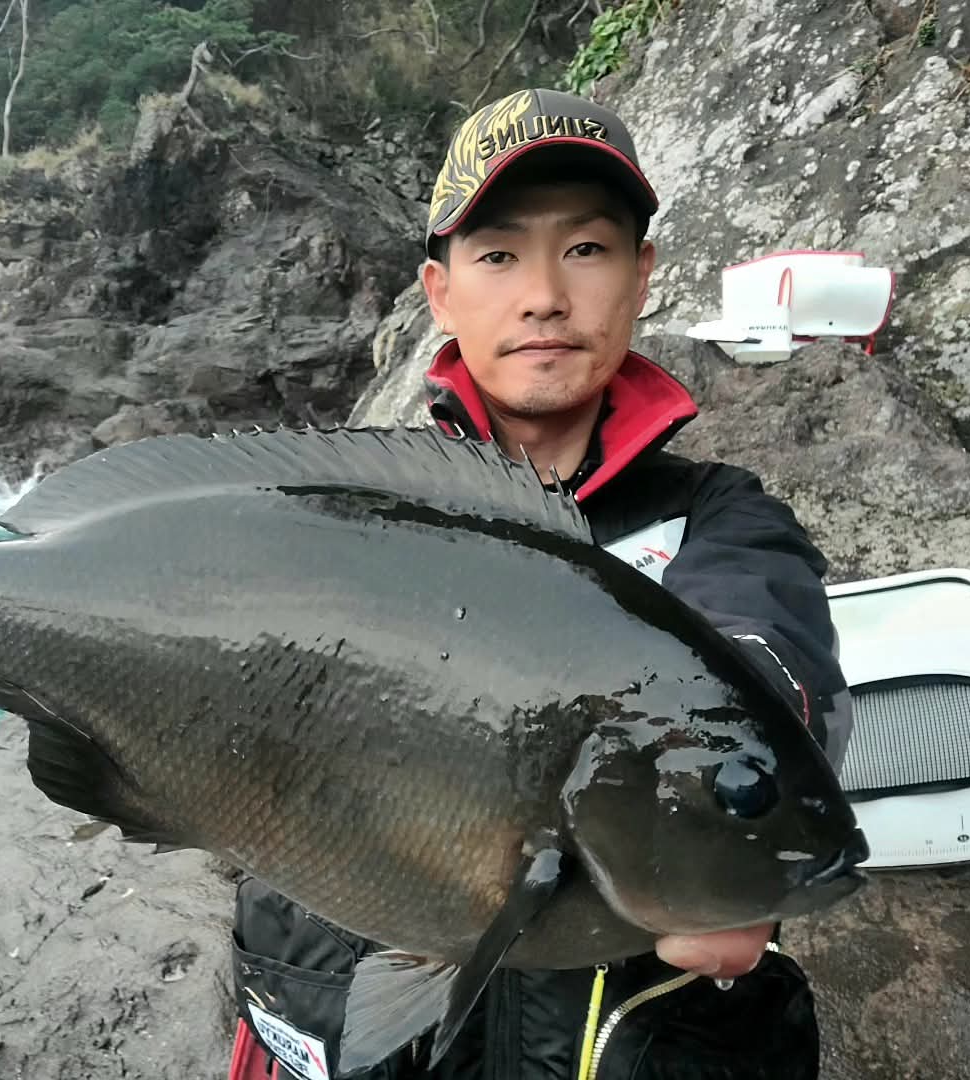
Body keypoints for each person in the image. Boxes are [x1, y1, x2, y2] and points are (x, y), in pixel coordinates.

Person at [228, 87, 853, 1080]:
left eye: (588, 249)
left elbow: (768, 659)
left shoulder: (724, 520)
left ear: (643, 274)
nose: (545, 296)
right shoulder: (348, 514)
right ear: (439, 293)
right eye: (498, 254)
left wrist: (737, 815)